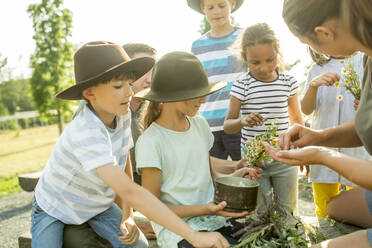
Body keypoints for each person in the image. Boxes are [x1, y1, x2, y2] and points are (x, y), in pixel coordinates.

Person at [31, 41, 230, 248]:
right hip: (55, 207)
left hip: (98, 206)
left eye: (129, 83)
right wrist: (193, 236)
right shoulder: (86, 131)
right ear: (90, 93)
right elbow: (130, 191)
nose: (129, 92)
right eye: (118, 86)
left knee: (139, 246)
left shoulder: (121, 112)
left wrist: (128, 215)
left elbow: (124, 156)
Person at [263, 0, 372, 247]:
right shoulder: (368, 57)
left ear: (325, 33)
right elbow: (368, 125)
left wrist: (322, 155)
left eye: (307, 41)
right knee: (335, 207)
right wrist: (319, 136)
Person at [134, 51, 262, 247]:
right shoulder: (151, 141)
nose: (203, 101)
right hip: (177, 230)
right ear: (172, 95)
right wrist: (205, 209)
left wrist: (237, 175)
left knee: (269, 238)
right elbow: (153, 207)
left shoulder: (199, 124)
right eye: (197, 94)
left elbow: (207, 175)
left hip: (215, 220)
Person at [223, 23, 303, 214]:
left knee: (288, 209)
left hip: (285, 156)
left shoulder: (288, 82)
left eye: (270, 59)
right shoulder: (242, 85)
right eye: (255, 62)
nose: (264, 68)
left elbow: (297, 121)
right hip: (254, 161)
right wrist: (242, 121)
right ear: (245, 58)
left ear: (278, 53)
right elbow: (228, 126)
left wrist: (302, 151)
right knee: (260, 211)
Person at [301, 49, 370, 218]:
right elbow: (306, 109)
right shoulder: (317, 68)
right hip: (323, 149)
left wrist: (365, 105)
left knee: (362, 206)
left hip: (357, 151)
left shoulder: (364, 61)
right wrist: (313, 86)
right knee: (324, 207)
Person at [189, 0, 245, 161]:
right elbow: (197, 84)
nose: (216, 12)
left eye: (221, 6)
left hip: (239, 121)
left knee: (247, 173)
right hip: (209, 123)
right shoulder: (197, 45)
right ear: (203, 9)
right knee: (213, 176)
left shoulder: (244, 37)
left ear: (232, 5)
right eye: (211, 7)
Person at [122, 42, 156, 185]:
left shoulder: (157, 105)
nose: (150, 79)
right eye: (144, 71)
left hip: (150, 177)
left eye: (153, 71)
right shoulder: (111, 108)